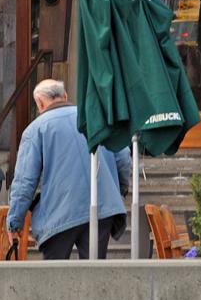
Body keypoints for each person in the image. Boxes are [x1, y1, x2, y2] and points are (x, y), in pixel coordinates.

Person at [7, 78, 131, 260]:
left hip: (59, 211)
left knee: (55, 278)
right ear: (65, 96)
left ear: (40, 102)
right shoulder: (95, 119)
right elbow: (123, 157)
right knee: (94, 276)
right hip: (101, 206)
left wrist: (14, 222)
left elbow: (24, 182)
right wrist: (119, 189)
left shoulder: (35, 130)